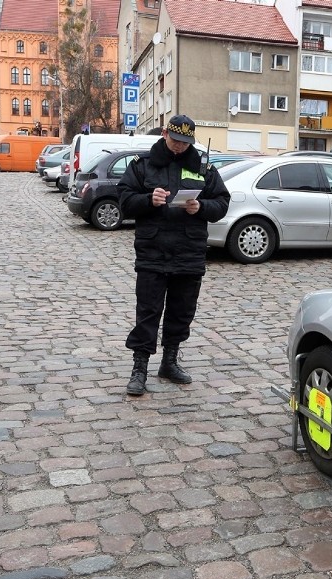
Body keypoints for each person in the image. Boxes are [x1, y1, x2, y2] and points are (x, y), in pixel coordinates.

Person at [117, 114, 230, 396]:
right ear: (165, 133)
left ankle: (169, 362)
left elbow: (222, 203)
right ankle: (139, 368)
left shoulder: (202, 166)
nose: (180, 147)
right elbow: (124, 201)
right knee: (148, 313)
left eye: (185, 142)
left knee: (181, 312)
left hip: (188, 252)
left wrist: (201, 207)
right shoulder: (143, 165)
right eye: (176, 140)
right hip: (153, 251)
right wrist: (147, 200)